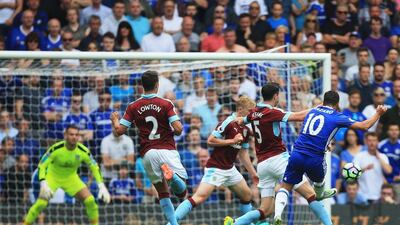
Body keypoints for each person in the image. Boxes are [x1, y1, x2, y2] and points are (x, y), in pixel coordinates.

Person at [225, 83, 336, 225]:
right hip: (278, 160)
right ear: (276, 95)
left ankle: (235, 223)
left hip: (262, 165)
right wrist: (320, 108)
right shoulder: (273, 112)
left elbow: (244, 119)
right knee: (311, 195)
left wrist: (240, 119)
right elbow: (298, 116)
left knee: (265, 210)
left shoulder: (253, 113)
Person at [273, 91, 387, 225]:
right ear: (337, 104)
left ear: (323, 100)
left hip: (296, 153)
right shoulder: (337, 116)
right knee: (320, 176)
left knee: (285, 186)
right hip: (314, 158)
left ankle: (278, 214)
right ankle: (320, 192)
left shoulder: (312, 111)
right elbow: (364, 126)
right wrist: (378, 113)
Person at [110, 70, 187, 225]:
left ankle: (173, 223)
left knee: (162, 193)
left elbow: (119, 132)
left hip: (148, 153)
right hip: (167, 149)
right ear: (157, 85)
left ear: (142, 86)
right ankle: (172, 177)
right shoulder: (166, 104)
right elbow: (178, 129)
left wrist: (115, 120)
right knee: (182, 192)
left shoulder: (133, 106)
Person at [173, 96, 258, 224]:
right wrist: (232, 140)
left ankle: (245, 223)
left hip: (230, 169)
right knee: (199, 197)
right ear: (240, 110)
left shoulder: (246, 129)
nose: (253, 115)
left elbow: (243, 153)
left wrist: (253, 173)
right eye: (250, 111)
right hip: (216, 168)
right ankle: (171, 222)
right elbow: (210, 140)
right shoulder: (228, 122)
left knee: (247, 195)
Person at [22, 125, 111, 225]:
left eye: (76, 135)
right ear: (65, 136)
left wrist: (101, 185)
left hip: (71, 179)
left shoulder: (83, 151)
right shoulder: (56, 149)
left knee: (90, 201)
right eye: (71, 134)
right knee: (40, 204)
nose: (74, 137)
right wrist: (43, 183)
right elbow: (41, 165)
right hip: (53, 178)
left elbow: (95, 167)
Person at [354, 132, 392, 202]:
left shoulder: (383, 156)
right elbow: (352, 174)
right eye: (369, 140)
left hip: (379, 196)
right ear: (365, 142)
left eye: (374, 140)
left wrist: (379, 157)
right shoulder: (359, 156)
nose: (372, 143)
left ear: (378, 142)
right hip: (362, 195)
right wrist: (364, 169)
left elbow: (389, 171)